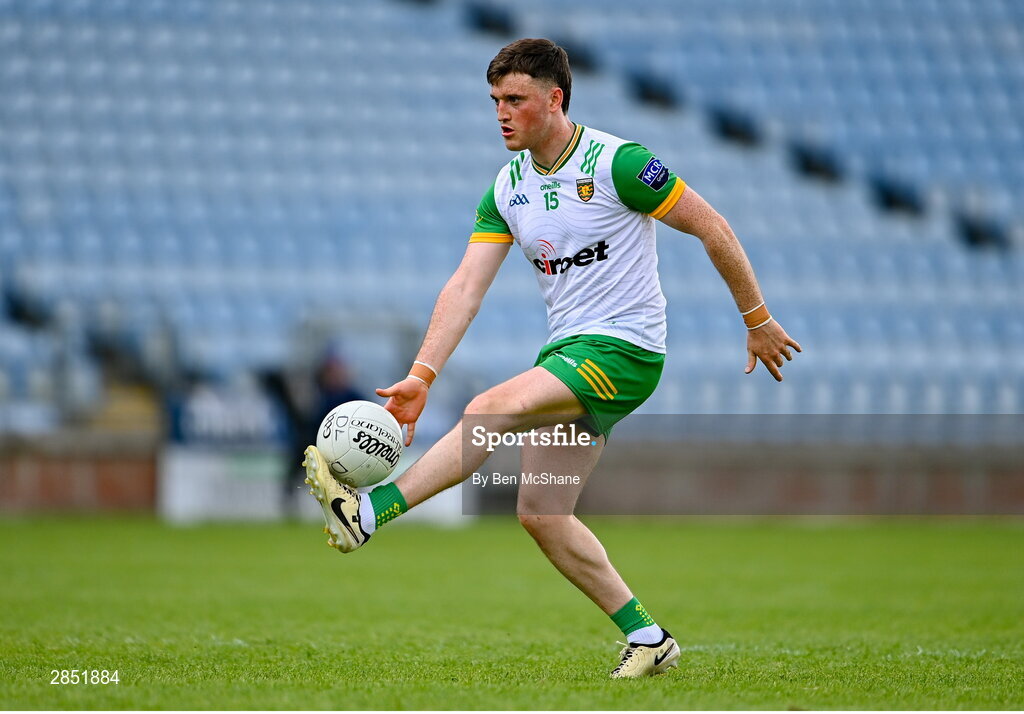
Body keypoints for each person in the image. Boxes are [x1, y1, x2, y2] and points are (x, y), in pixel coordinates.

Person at [302, 38, 801, 678]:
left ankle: (367, 513)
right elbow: (465, 287)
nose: (502, 113)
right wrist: (422, 375)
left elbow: (712, 225)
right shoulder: (507, 188)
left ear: (554, 98)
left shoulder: (621, 163)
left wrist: (756, 320)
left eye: (515, 100)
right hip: (569, 350)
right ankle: (649, 638)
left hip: (625, 350)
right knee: (542, 512)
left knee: (490, 408)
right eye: (495, 101)